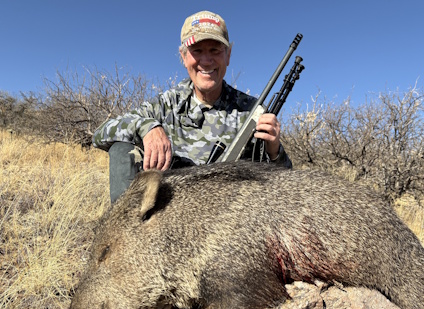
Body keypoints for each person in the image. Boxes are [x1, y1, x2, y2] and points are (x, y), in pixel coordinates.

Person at [92, 10, 292, 202]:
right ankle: (129, 233)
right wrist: (147, 127)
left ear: (228, 55)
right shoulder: (166, 104)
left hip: (231, 217)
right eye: (197, 51)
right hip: (171, 213)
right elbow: (100, 135)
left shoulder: (251, 111)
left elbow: (285, 180)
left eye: (215, 50)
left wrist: (274, 152)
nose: (206, 61)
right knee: (121, 149)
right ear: (183, 56)